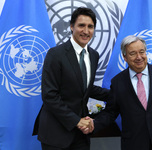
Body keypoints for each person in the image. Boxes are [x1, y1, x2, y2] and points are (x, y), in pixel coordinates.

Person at [83, 35, 152, 150]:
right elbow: (111, 113)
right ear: (124, 57)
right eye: (133, 53)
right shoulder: (117, 82)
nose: (139, 57)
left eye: (142, 52)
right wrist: (93, 124)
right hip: (134, 144)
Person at [32, 7, 109, 150]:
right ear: (72, 26)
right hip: (56, 133)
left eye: (90, 27)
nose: (86, 31)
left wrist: (118, 93)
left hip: (81, 134)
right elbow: (49, 95)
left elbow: (84, 87)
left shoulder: (94, 55)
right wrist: (76, 121)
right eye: (81, 25)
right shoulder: (55, 54)